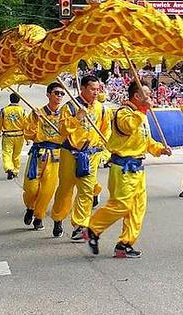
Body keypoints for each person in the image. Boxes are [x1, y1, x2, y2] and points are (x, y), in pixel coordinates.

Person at [85, 81, 172, 258]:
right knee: (121, 205)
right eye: (146, 94)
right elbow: (128, 127)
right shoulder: (123, 113)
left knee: (137, 209)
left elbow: (146, 141)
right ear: (137, 96)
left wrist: (160, 149)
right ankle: (92, 229)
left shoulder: (142, 115)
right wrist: (142, 111)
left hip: (138, 169)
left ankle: (125, 244)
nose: (150, 98)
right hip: (123, 168)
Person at [51, 75, 111, 242]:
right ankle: (58, 217)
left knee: (86, 190)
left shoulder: (102, 109)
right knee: (65, 189)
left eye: (98, 89)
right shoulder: (69, 107)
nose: (95, 92)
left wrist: (102, 151)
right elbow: (62, 130)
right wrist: (77, 118)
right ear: (82, 88)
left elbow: (106, 131)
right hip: (70, 154)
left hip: (90, 155)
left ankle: (79, 225)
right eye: (92, 89)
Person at [22, 84, 65, 231]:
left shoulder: (65, 116)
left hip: (55, 157)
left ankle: (39, 217)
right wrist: (35, 120)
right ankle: (30, 207)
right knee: (31, 188)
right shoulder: (37, 113)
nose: (59, 96)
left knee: (47, 191)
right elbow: (28, 134)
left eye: (61, 94)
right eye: (56, 93)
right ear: (48, 94)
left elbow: (71, 133)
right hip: (37, 155)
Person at [0, 93, 27, 180]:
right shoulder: (22, 111)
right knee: (16, 155)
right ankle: (15, 170)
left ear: (10, 99)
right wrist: (27, 138)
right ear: (19, 100)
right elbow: (26, 124)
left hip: (8, 136)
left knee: (7, 153)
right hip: (19, 135)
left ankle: (9, 168)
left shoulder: (4, 110)